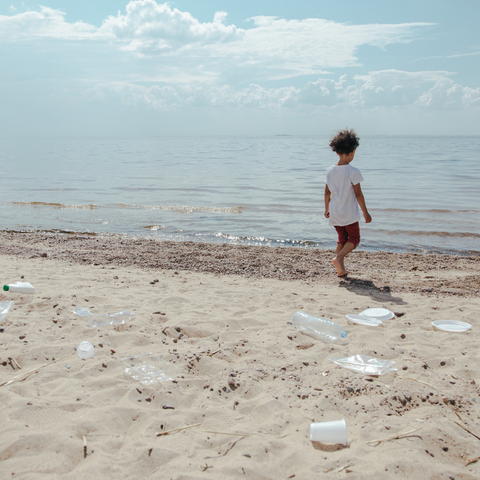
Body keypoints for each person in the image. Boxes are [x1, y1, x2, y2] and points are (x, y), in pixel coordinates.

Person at [324, 129, 372, 276]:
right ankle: (338, 259)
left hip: (335, 211)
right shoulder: (353, 171)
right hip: (349, 213)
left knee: (342, 238)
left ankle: (340, 269)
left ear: (337, 152)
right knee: (354, 238)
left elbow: (327, 192)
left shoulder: (330, 171)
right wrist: (365, 212)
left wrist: (326, 209)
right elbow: (358, 194)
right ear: (352, 152)